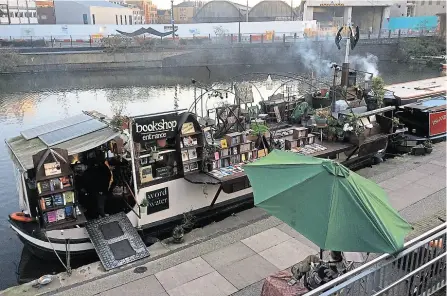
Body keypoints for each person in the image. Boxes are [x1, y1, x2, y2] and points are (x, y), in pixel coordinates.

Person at [83, 150, 112, 218]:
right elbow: (108, 176)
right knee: (100, 204)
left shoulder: (91, 170)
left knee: (98, 205)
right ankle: (101, 215)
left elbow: (107, 176)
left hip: (96, 190)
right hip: (99, 189)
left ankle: (100, 215)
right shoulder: (103, 167)